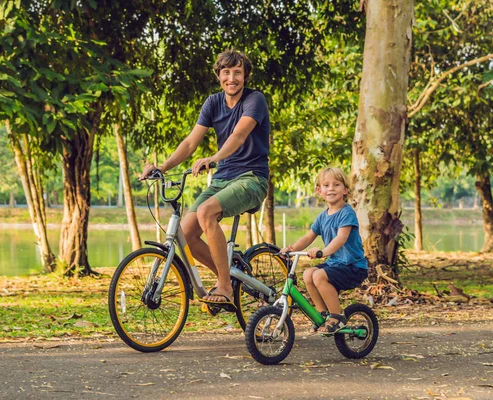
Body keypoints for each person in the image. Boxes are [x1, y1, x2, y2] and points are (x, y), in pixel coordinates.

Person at [139, 49, 269, 309]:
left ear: (245, 76)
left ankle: (224, 286)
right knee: (185, 234)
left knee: (206, 212)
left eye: (237, 73)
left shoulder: (255, 100)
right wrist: (162, 167)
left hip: (251, 178)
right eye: (226, 72)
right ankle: (230, 275)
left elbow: (239, 135)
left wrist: (215, 157)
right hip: (222, 180)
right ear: (219, 76)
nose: (231, 78)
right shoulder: (213, 103)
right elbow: (189, 143)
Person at [281, 167, 368, 335]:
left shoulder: (346, 212)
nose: (331, 189)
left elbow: (340, 238)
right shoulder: (322, 216)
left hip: (353, 266)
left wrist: (323, 251)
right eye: (326, 185)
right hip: (336, 264)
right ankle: (322, 314)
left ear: (345, 190)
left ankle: (337, 317)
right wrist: (291, 249)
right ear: (319, 191)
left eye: (336, 184)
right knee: (308, 274)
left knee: (319, 275)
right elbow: (308, 237)